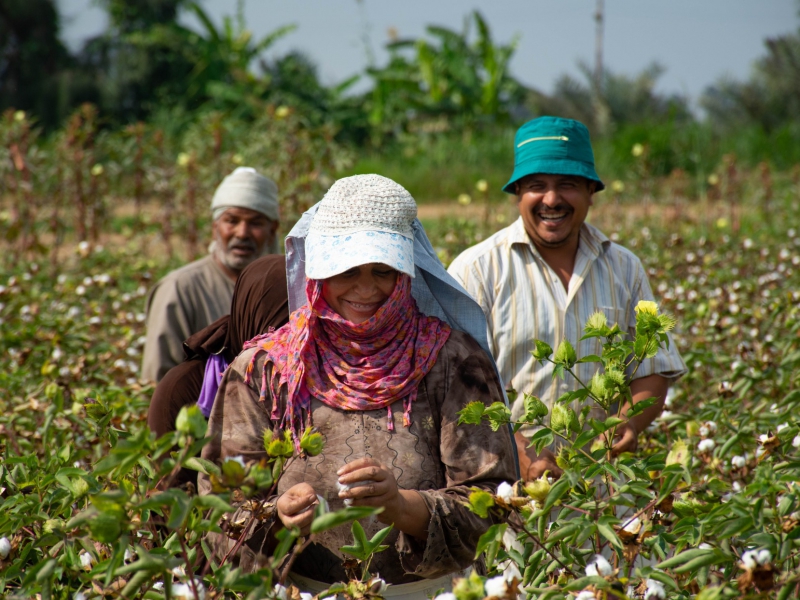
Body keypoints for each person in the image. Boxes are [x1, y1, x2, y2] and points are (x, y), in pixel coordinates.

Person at [198, 174, 516, 594]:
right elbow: (220, 501)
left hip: (426, 591)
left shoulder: (451, 361)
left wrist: (404, 507)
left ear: (405, 272)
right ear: (319, 272)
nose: (366, 290)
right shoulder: (268, 369)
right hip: (303, 589)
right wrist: (276, 516)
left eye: (382, 271)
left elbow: (491, 496)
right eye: (346, 271)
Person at [448, 116, 687, 481]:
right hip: (502, 486)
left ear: (591, 191)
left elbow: (653, 371)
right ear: (518, 194)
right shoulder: (477, 269)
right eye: (536, 185)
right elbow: (456, 388)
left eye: (568, 184)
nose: (552, 199)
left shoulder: (625, 268)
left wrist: (627, 423)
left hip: (603, 486)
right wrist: (520, 453)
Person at [142, 167, 280, 382]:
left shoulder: (289, 290)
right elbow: (158, 380)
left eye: (255, 223)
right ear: (215, 227)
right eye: (232, 221)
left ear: (273, 230)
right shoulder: (179, 288)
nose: (242, 233)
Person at [147, 255, 290, 440]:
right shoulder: (184, 390)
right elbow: (168, 467)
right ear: (248, 314)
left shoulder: (318, 380)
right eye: (281, 329)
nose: (286, 343)